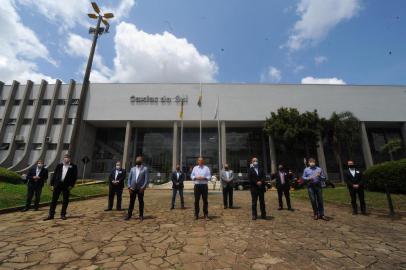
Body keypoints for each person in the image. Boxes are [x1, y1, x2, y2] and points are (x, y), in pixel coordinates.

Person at [44, 154, 77, 220]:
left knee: (65, 200)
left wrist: (71, 185)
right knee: (54, 200)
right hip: (57, 185)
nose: (66, 159)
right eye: (65, 157)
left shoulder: (73, 166)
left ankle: (63, 214)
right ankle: (51, 215)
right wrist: (52, 185)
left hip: (66, 186)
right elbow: (55, 175)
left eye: (67, 158)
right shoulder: (59, 165)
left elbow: (74, 177)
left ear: (70, 159)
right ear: (63, 158)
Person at [125, 156, 149, 221]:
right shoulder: (132, 169)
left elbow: (146, 180)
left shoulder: (145, 169)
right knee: (131, 202)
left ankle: (141, 215)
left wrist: (143, 188)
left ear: (141, 161)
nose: (138, 160)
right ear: (136, 161)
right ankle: (129, 215)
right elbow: (129, 179)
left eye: (139, 159)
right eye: (137, 159)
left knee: (141, 202)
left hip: (140, 189)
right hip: (132, 189)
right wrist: (129, 187)